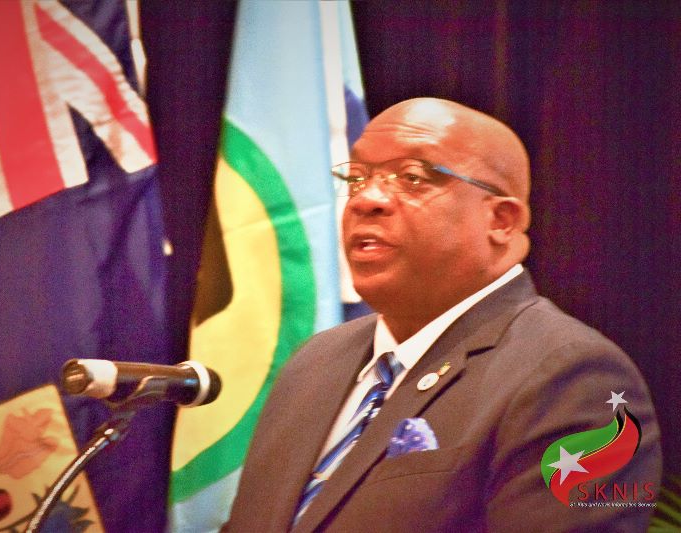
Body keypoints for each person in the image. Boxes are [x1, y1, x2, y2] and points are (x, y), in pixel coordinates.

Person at [226, 98, 662, 532]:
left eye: (412, 177)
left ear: (501, 221)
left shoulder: (574, 378)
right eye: (356, 178)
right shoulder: (314, 363)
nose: (366, 199)